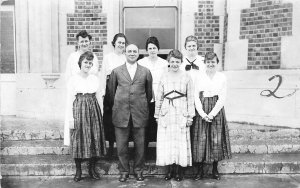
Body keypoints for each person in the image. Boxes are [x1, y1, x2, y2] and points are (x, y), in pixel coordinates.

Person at [108, 44, 153, 182]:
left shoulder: (145, 71)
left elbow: (149, 92)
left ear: (138, 53)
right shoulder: (116, 71)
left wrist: (140, 104)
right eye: (129, 51)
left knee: (140, 145)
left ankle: (139, 170)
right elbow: (111, 92)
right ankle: (124, 171)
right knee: (121, 145)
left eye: (134, 51)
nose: (132, 53)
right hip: (121, 112)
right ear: (125, 53)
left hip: (139, 112)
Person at [65, 51, 106, 182]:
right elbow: (69, 99)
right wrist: (71, 118)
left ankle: (92, 169)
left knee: (94, 138)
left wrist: (102, 114)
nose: (88, 65)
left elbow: (99, 97)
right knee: (79, 139)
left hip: (94, 109)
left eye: (90, 63)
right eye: (85, 62)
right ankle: (78, 171)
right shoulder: (73, 79)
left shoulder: (94, 78)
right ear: (80, 64)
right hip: (79, 108)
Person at [154, 50, 195, 182]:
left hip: (181, 112)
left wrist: (190, 117)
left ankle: (179, 171)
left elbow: (190, 98)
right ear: (168, 62)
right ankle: (170, 170)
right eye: (172, 61)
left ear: (181, 62)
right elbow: (159, 97)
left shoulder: (186, 77)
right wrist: (157, 115)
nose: (175, 64)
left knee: (179, 141)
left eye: (177, 61)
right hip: (167, 112)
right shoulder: (164, 76)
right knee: (168, 142)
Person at [191, 52, 231, 181]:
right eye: (208, 62)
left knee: (216, 139)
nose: (210, 64)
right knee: (201, 139)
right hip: (202, 108)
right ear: (205, 63)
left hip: (216, 110)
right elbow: (195, 96)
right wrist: (202, 114)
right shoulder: (199, 76)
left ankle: (215, 169)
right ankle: (200, 170)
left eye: (213, 62)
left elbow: (222, 97)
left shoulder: (221, 77)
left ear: (217, 62)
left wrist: (212, 114)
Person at [64, 30, 100, 146]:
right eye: (82, 41)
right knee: (77, 125)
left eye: (86, 41)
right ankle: (78, 149)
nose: (84, 43)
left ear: (89, 42)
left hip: (90, 94)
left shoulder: (93, 57)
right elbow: (68, 76)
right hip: (77, 94)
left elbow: (96, 75)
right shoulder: (72, 57)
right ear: (78, 43)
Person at [138, 36, 168, 154]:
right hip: (145, 96)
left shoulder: (164, 63)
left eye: (154, 48)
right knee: (145, 122)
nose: (152, 50)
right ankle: (144, 150)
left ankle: (159, 151)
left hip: (160, 96)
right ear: (146, 50)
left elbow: (166, 79)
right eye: (150, 48)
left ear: (158, 49)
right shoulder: (141, 62)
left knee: (158, 122)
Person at [100, 33, 128, 157]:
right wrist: (102, 92)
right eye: (119, 42)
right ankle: (111, 145)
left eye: (123, 43)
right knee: (110, 118)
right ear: (114, 43)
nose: (121, 45)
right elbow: (102, 75)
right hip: (110, 89)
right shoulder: (108, 57)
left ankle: (122, 145)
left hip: (122, 89)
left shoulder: (126, 57)